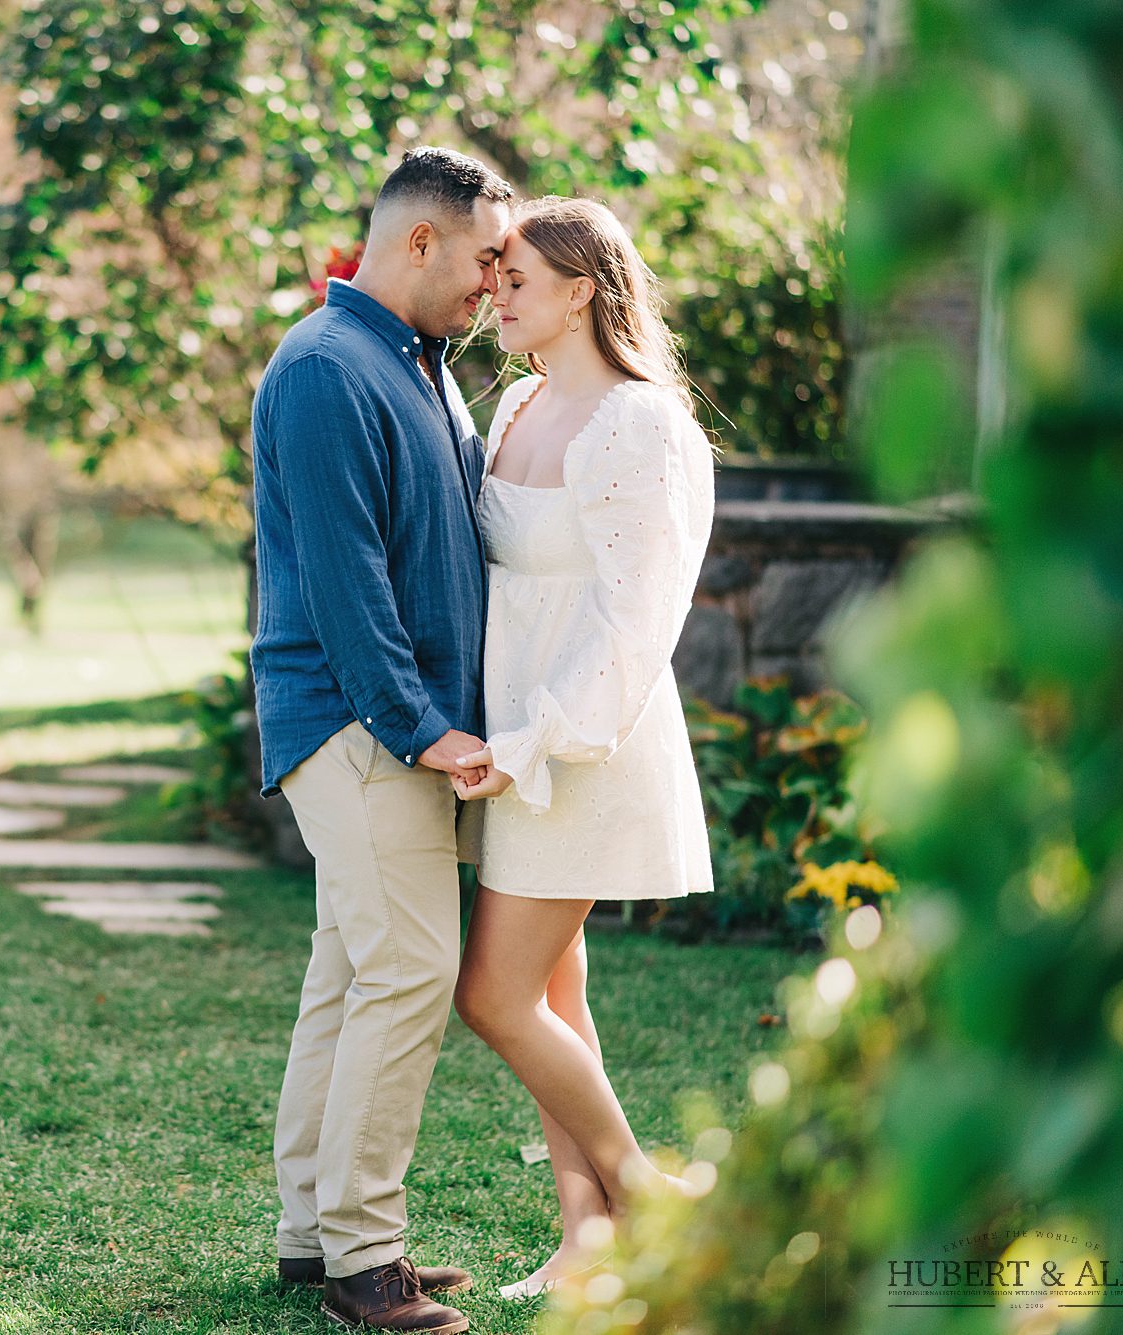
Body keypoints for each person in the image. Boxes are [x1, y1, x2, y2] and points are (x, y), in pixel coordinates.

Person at [249, 146, 512, 1335]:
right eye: (481, 256)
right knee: (408, 972)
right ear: (418, 239)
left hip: (396, 726)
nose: (491, 283)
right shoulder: (321, 368)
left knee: (351, 973)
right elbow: (347, 588)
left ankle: (313, 1235)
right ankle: (366, 1259)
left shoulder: (421, 365)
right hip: (360, 725)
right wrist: (422, 730)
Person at [448, 195, 718, 1301]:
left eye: (517, 278)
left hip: (581, 746)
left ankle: (644, 1196)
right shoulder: (512, 404)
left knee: (492, 995)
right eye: (495, 275)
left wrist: (534, 741)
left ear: (581, 293)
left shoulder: (639, 424)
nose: (494, 293)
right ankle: (586, 1243)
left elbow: (633, 616)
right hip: (509, 741)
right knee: (554, 987)